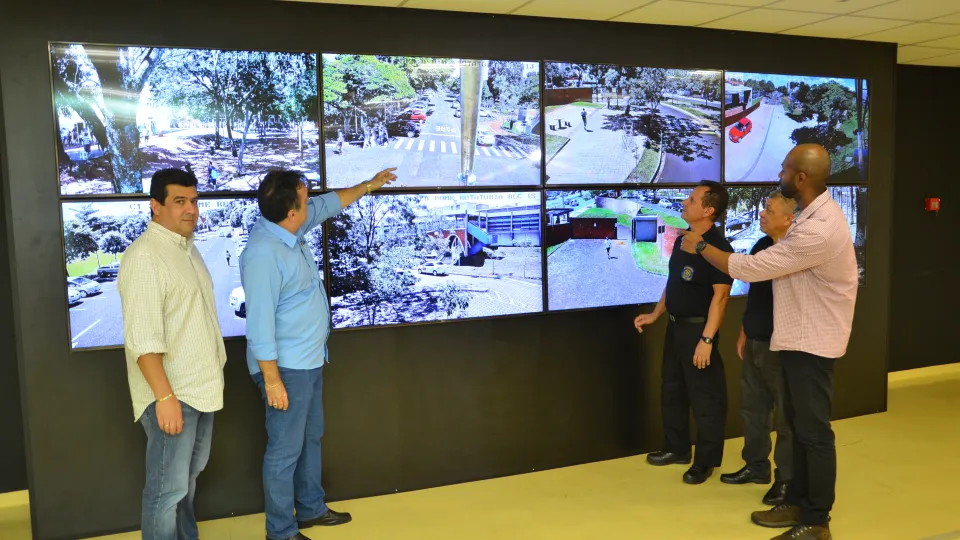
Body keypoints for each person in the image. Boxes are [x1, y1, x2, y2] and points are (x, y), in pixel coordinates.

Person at [678, 144, 858, 540]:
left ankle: (816, 520)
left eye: (784, 169)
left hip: (814, 344)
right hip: (795, 339)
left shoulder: (817, 228)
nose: (778, 172)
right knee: (794, 423)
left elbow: (752, 269)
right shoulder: (813, 216)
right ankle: (795, 500)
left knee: (813, 432)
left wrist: (703, 247)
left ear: (800, 179)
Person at [240, 167, 398, 540]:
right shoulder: (263, 253)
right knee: (283, 452)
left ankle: (310, 507)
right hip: (284, 369)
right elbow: (259, 326)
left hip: (308, 361)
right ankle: (279, 531)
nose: (311, 203)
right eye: (304, 198)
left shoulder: (290, 225)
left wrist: (369, 185)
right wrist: (273, 380)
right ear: (291, 211)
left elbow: (329, 204)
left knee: (310, 438)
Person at [117, 168, 227, 540]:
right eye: (179, 201)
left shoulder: (187, 248)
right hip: (173, 396)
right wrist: (164, 399)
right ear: (155, 206)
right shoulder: (146, 257)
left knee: (185, 487)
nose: (190, 210)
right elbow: (143, 341)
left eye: (194, 201)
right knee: (166, 494)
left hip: (200, 390)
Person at [634, 180, 734, 485]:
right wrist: (655, 313)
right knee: (672, 391)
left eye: (692, 200)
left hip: (697, 332)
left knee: (705, 399)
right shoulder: (682, 240)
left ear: (708, 210)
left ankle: (705, 462)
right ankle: (676, 449)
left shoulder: (719, 249)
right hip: (675, 327)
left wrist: (706, 340)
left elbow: (721, 297)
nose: (685, 203)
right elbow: (674, 282)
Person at [719, 192, 797, 507]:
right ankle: (756, 466)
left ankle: (786, 480)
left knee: (785, 419)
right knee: (752, 409)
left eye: (769, 210)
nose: (762, 214)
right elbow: (756, 297)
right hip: (754, 341)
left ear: (789, 219)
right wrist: (744, 331)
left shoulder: (796, 253)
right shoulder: (762, 246)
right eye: (763, 208)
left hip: (782, 346)